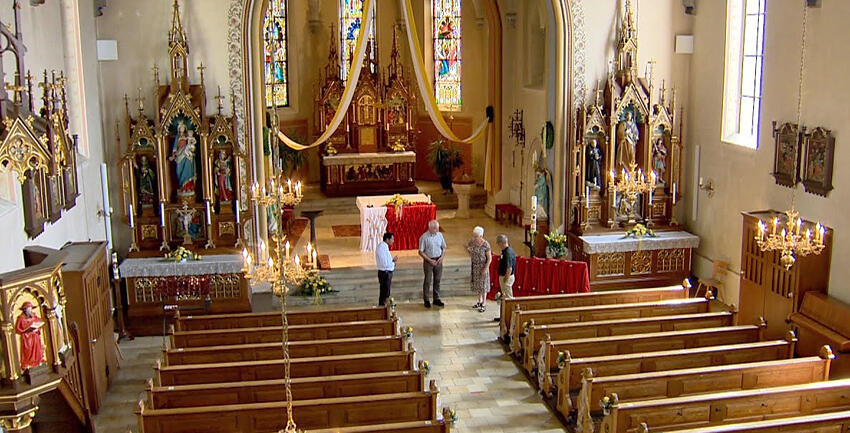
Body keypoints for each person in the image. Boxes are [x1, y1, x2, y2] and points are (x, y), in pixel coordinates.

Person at [419, 220, 446, 308]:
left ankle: (436, 299)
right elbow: (420, 252)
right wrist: (429, 260)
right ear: (430, 228)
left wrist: (442, 257)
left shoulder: (440, 235)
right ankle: (426, 299)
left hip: (438, 260)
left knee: (437, 280)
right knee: (428, 280)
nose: (437, 230)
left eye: (438, 228)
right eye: (435, 228)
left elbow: (444, 247)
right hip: (428, 261)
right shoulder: (424, 237)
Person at [467, 226, 492, 313]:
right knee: (477, 285)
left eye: (476, 236)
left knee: (483, 285)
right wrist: (470, 251)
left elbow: (489, 258)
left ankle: (484, 303)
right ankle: (479, 300)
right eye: (474, 236)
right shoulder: (472, 242)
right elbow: (468, 248)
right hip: (475, 266)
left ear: (481, 236)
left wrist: (485, 268)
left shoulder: (486, 245)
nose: (474, 238)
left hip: (483, 266)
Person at [15, 301, 45, 370]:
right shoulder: (21, 318)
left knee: (37, 342)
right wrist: (25, 331)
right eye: (28, 308)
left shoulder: (33, 315)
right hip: (27, 337)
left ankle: (38, 359)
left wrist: (37, 328)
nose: (30, 310)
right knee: (28, 349)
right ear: (24, 309)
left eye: (30, 308)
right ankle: (28, 362)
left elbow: (39, 321)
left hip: (34, 334)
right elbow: (18, 329)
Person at [494, 234, 516, 322]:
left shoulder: (508, 253)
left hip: (507, 278)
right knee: (503, 297)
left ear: (502, 243)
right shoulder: (505, 251)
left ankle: (509, 317)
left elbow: (509, 268)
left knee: (508, 298)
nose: (498, 246)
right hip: (504, 277)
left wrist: (505, 279)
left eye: (499, 244)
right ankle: (503, 316)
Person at [375, 232, 398, 307]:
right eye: (392, 239)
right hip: (385, 273)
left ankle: (385, 305)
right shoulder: (382, 248)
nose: (393, 241)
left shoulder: (384, 247)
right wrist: (393, 263)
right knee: (385, 291)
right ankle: (384, 306)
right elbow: (384, 263)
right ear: (387, 239)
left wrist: (393, 261)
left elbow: (387, 261)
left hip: (386, 272)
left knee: (386, 291)